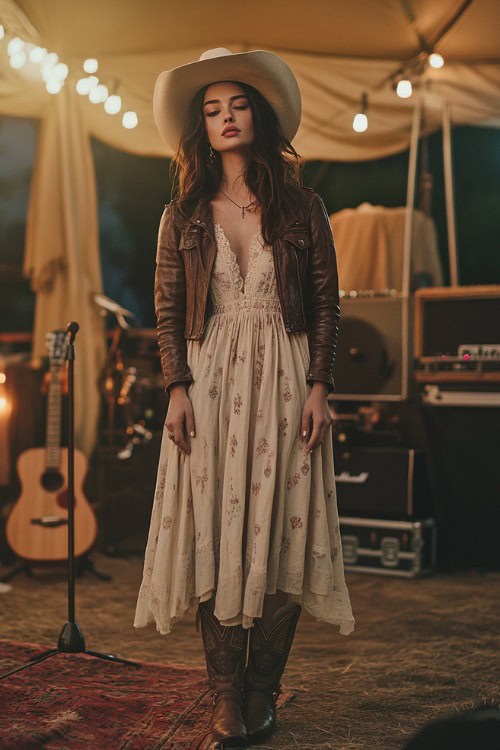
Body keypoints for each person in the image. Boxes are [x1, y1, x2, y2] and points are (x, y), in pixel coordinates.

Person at [134, 46, 355, 748]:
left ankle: (264, 690)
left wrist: (320, 386)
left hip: (287, 379)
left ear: (257, 115)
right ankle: (226, 693)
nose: (226, 118)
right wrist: (175, 389)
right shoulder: (183, 213)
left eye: (237, 105)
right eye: (211, 109)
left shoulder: (303, 205)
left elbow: (327, 305)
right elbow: (168, 311)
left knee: (283, 523)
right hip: (209, 379)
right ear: (201, 126)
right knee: (214, 527)